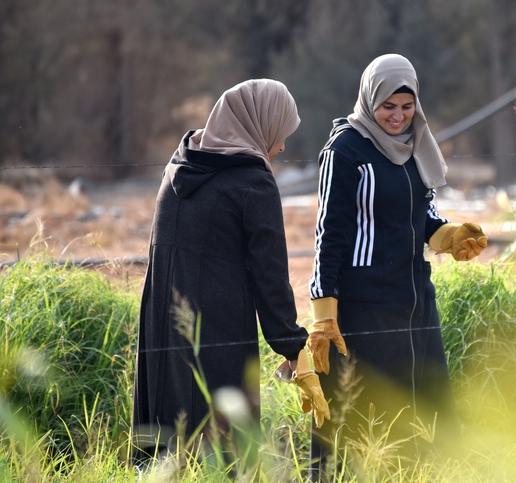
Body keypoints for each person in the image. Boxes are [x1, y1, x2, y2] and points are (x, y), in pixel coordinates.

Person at [306, 54, 488, 476]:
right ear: (370, 101)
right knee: (368, 414)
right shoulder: (345, 151)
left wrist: (450, 236)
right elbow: (328, 236)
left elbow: (420, 217)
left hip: (414, 298)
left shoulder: (413, 146)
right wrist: (323, 314)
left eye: (407, 107)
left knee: (428, 407)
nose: (398, 116)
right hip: (365, 303)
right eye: (388, 106)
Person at [132, 79, 330, 462]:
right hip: (217, 335)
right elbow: (269, 276)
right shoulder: (252, 182)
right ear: (258, 125)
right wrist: (292, 348)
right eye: (280, 133)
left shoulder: (180, 167)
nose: (282, 146)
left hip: (161, 326)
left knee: (164, 448)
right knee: (221, 453)